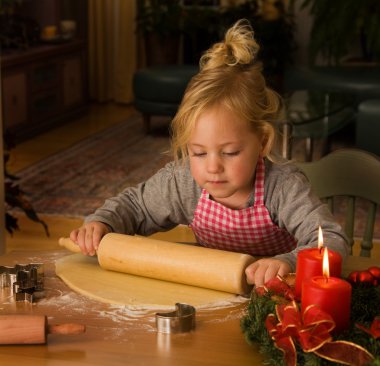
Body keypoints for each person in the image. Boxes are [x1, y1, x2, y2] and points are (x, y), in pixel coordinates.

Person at [70, 19, 349, 287]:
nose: (213, 167)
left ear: (262, 142)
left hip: (273, 296)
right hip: (212, 290)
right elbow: (135, 208)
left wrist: (288, 262)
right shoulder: (184, 184)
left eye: (230, 152)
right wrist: (102, 222)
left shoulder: (283, 187)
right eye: (199, 153)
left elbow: (332, 240)